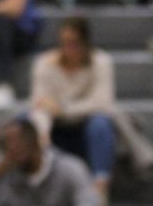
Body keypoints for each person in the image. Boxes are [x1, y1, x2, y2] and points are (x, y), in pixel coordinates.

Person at [31, 17, 117, 203]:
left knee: (101, 124)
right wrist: (42, 132)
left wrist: (62, 109)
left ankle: (99, 189)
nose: (69, 49)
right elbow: (40, 106)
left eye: (74, 43)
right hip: (57, 132)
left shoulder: (101, 62)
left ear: (86, 43)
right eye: (64, 43)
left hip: (86, 133)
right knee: (27, 124)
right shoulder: (45, 64)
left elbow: (102, 103)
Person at [0, 118, 100, 206]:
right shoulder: (8, 175)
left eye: (18, 145)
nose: (12, 151)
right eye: (6, 147)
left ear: (36, 143)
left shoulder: (70, 169)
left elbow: (89, 202)